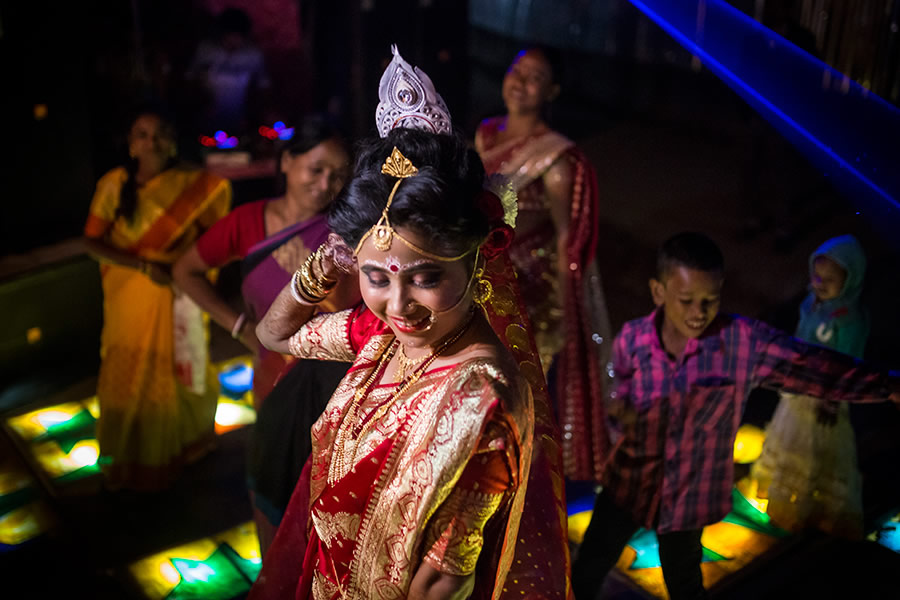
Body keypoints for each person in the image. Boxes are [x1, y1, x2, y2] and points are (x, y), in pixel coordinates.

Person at [248, 46, 571, 599]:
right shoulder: (383, 338)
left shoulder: (479, 399)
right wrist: (327, 263)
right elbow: (273, 335)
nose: (399, 306)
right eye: (376, 278)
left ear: (477, 256)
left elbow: (442, 580)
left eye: (424, 277)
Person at [571, 232, 899, 600]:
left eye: (710, 300)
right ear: (659, 292)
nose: (699, 313)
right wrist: (618, 415)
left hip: (687, 500)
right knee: (588, 567)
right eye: (687, 300)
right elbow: (616, 394)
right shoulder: (633, 340)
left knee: (684, 582)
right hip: (627, 484)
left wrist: (886, 385)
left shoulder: (742, 343)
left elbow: (812, 366)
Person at [172, 116, 358, 553]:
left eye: (336, 175)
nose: (324, 183)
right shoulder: (248, 222)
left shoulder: (346, 233)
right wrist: (238, 326)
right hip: (274, 375)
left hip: (335, 383)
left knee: (326, 488)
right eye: (315, 169)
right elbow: (186, 270)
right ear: (288, 162)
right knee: (275, 477)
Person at [475, 45, 611, 481]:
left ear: (551, 90)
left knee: (520, 396)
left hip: (530, 296)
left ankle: (523, 485)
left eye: (536, 78)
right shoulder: (487, 133)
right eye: (518, 71)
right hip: (482, 278)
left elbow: (569, 238)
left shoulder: (556, 161)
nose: (521, 82)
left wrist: (568, 306)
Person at [83, 110, 232, 491]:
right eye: (143, 135)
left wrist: (182, 269)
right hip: (129, 295)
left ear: (173, 141)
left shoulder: (201, 187)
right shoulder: (113, 185)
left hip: (177, 296)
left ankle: (184, 447)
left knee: (179, 368)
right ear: (131, 144)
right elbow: (92, 241)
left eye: (160, 133)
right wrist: (143, 264)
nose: (151, 142)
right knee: (130, 371)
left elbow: (212, 246)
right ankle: (130, 455)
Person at [751, 234, 869, 538]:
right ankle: (785, 507)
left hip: (822, 399)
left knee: (817, 449)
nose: (820, 282)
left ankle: (809, 509)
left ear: (850, 280)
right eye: (817, 275)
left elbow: (848, 363)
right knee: (792, 442)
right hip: (800, 390)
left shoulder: (849, 320)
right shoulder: (811, 303)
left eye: (831, 279)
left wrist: (831, 399)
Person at [185, 8, 271, 135]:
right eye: (229, 36)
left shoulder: (253, 55)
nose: (233, 41)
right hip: (207, 120)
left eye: (237, 36)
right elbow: (190, 80)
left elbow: (263, 88)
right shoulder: (206, 50)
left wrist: (257, 115)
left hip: (240, 120)